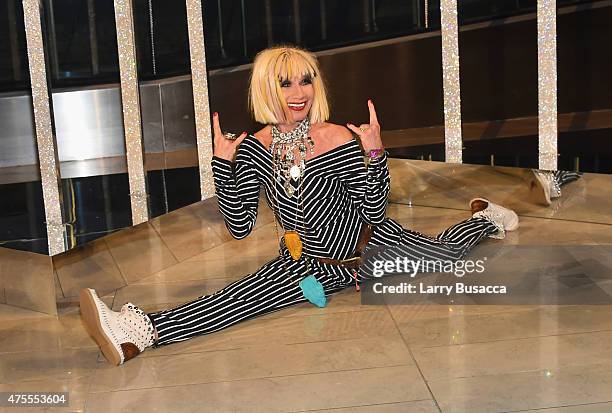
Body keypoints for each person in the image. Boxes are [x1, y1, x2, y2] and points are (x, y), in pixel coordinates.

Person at [79, 46, 519, 366]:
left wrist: (375, 154)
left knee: (446, 251)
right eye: (285, 82)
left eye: (306, 80)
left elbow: (374, 211)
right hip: (306, 262)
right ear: (266, 89)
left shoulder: (338, 138)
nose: (298, 91)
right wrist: (222, 163)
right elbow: (239, 226)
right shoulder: (254, 148)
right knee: (239, 297)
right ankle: (140, 332)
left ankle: (485, 217)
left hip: (374, 247)